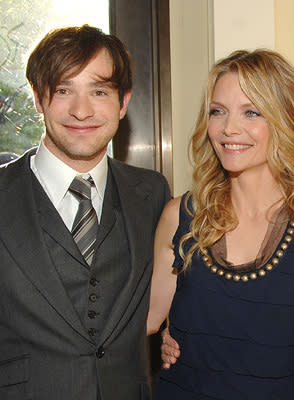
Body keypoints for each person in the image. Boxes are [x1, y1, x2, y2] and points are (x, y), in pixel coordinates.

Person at [147, 49, 294, 399]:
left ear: (285, 120)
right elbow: (141, 320)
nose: (229, 128)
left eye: (252, 112)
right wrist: (167, 333)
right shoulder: (180, 215)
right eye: (218, 111)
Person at [0, 25, 170, 400]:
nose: (82, 110)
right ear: (38, 98)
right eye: (64, 90)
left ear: (123, 102)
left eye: (99, 91)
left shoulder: (154, 193)